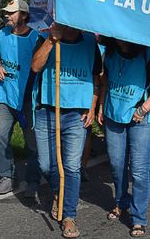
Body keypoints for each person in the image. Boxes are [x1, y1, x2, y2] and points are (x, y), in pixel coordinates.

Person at [31, 24, 102, 239]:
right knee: (45, 164)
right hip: (47, 110)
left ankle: (69, 215)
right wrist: (52, 40)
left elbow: (96, 77)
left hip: (76, 114)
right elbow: (35, 67)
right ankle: (59, 193)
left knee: (71, 167)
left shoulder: (90, 41)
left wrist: (92, 106)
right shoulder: (46, 37)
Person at [97, 37, 150, 238]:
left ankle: (138, 218)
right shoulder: (109, 51)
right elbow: (106, 81)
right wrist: (102, 105)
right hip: (114, 114)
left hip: (143, 118)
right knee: (116, 164)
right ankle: (121, 201)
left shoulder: (148, 53)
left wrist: (143, 109)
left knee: (138, 170)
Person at [0, 0, 42, 195]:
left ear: (23, 15)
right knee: (0, 139)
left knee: (32, 143)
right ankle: (7, 176)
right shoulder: (2, 33)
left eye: (11, 13)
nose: (7, 16)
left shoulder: (35, 38)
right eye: (6, 12)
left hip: (29, 97)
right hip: (5, 94)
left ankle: (33, 180)